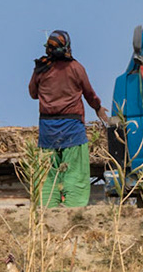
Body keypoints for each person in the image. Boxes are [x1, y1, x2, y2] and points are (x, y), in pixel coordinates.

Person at [29, 29, 105, 208]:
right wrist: (98, 108)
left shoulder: (41, 68)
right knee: (75, 171)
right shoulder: (76, 68)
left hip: (48, 129)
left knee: (48, 173)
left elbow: (33, 93)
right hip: (72, 128)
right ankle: (73, 209)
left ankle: (47, 209)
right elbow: (89, 94)